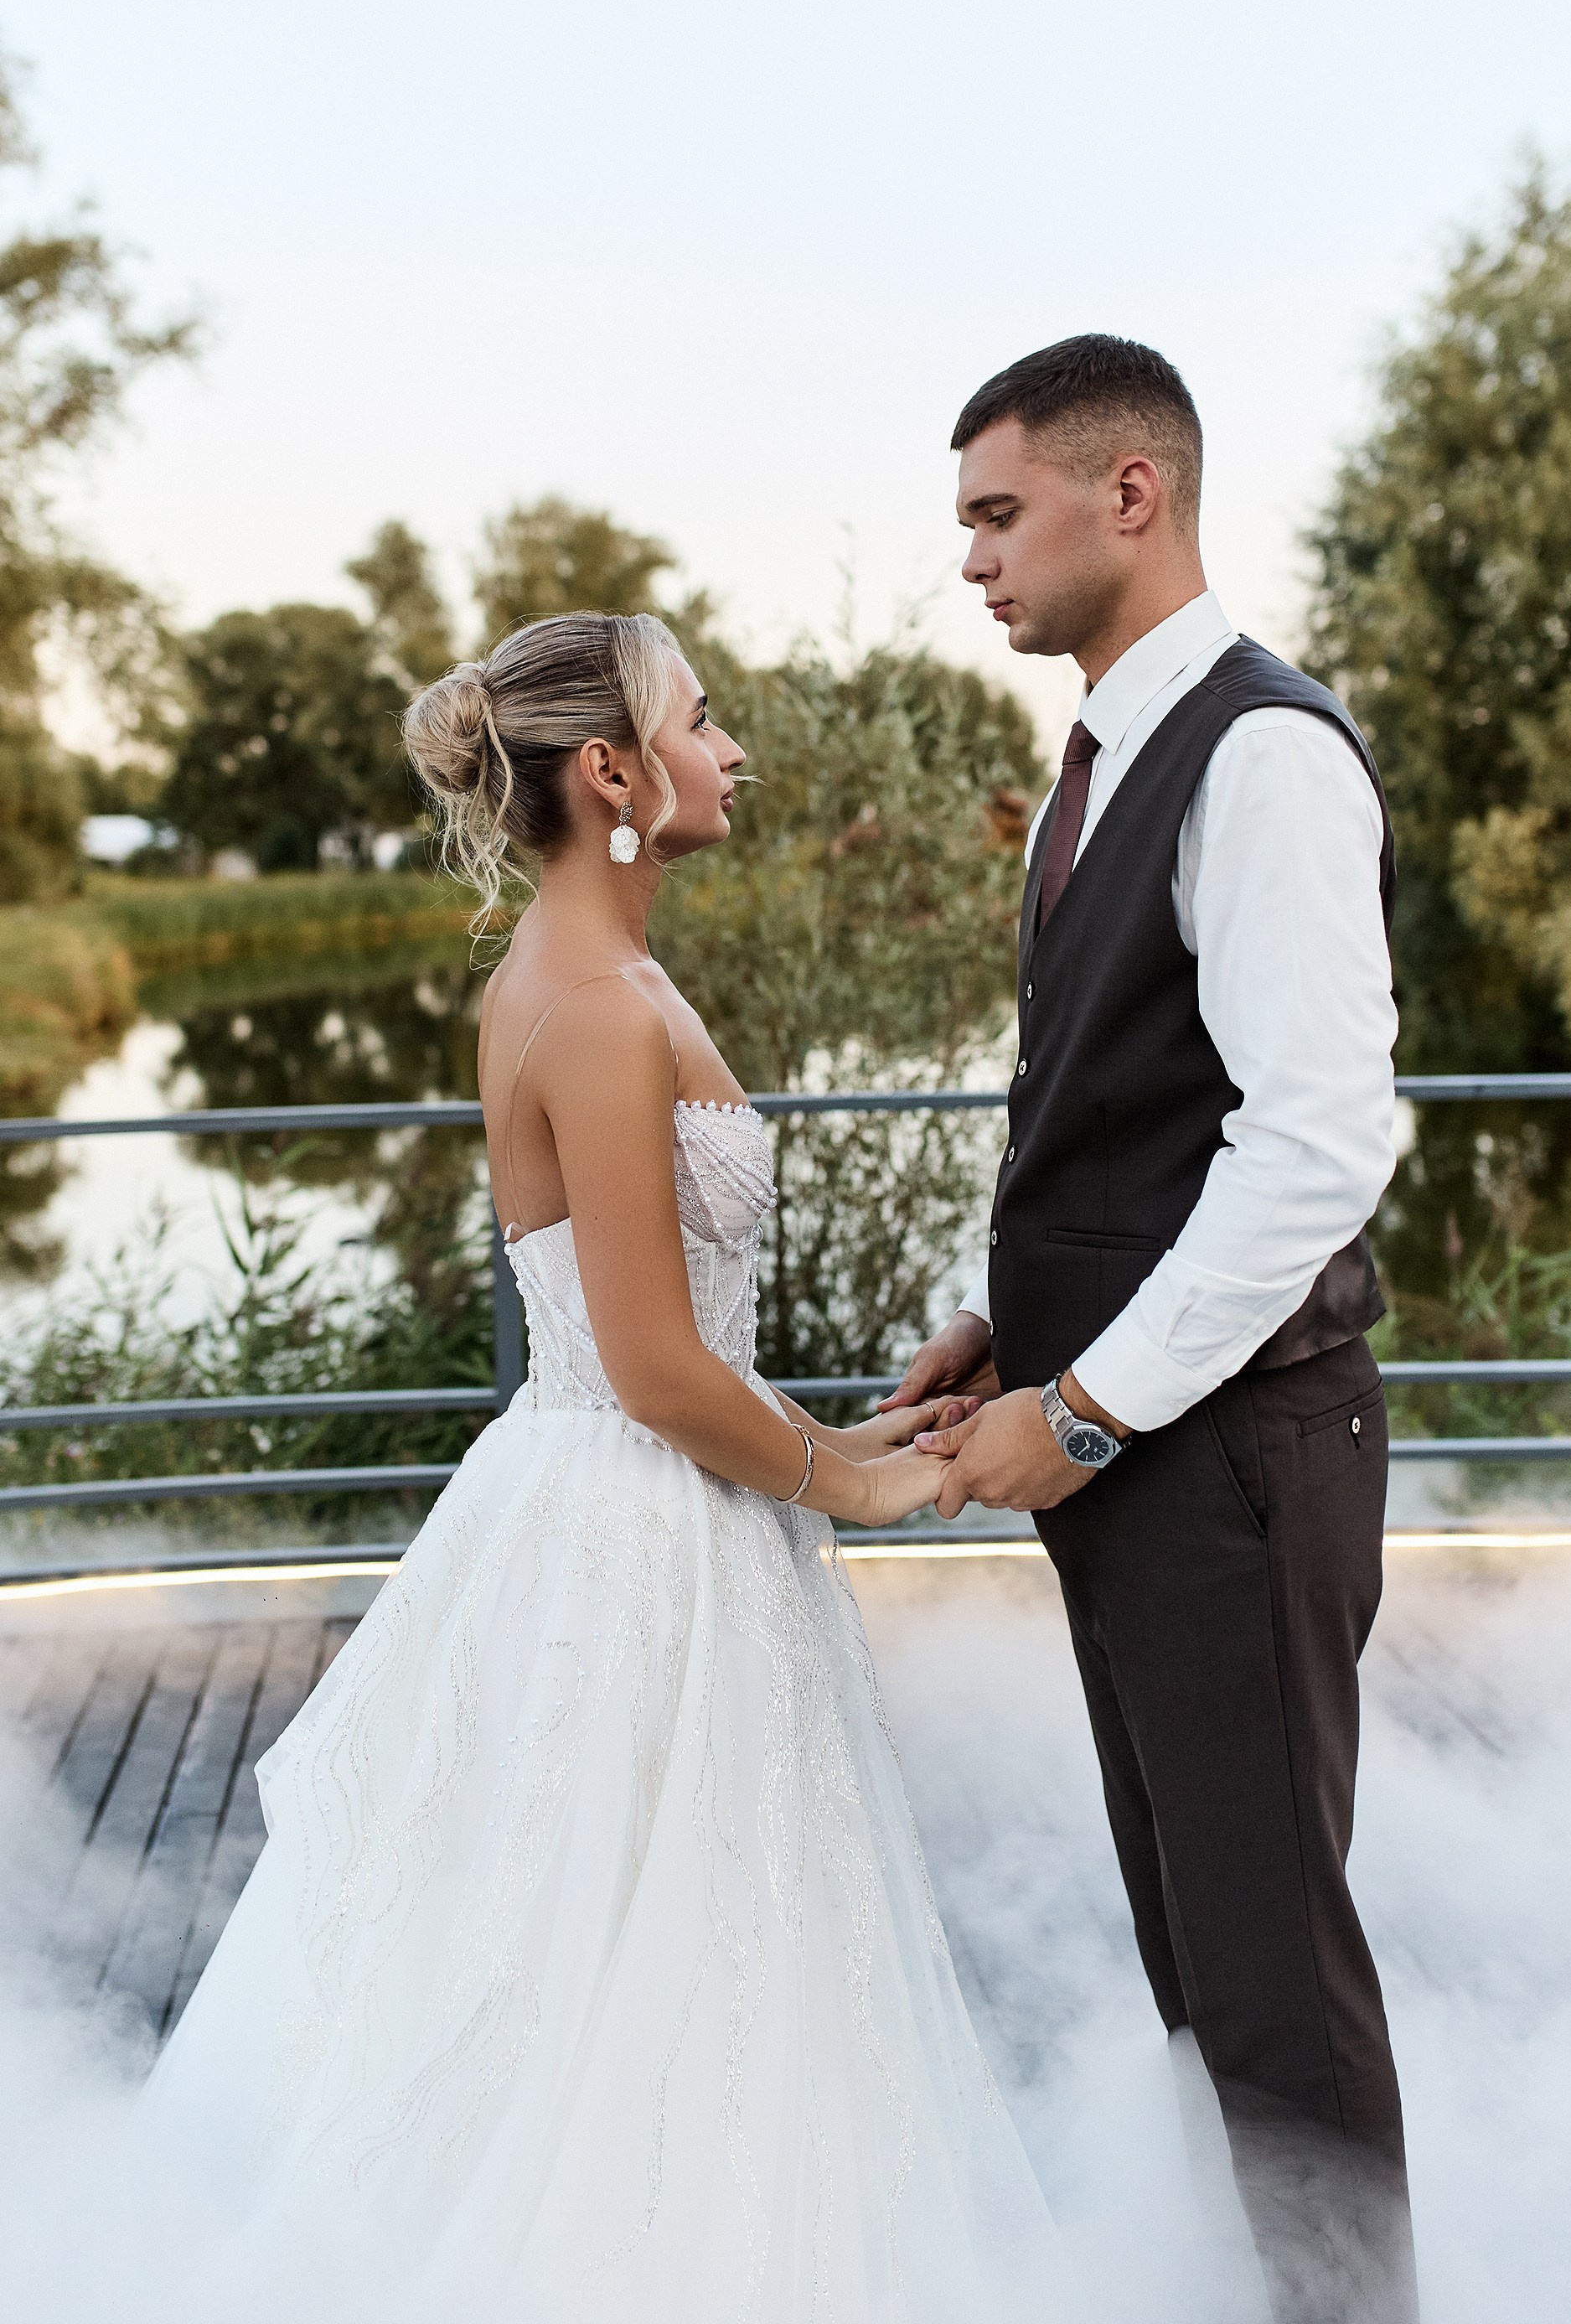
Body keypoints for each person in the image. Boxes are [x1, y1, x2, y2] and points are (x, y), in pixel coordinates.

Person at [138, 612, 1073, 2323]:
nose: (733, 753)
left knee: (698, 1966)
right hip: (637, 1535)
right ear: (612, 773)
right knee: (637, 1972)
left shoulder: (599, 975)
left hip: (645, 1500)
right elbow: (645, 1365)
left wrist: (842, 1433)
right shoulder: (590, 1003)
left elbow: (658, 1333)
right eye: (701, 724)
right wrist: (860, 1489)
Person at [883, 336, 1421, 2323]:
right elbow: (1133, 1114)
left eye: (994, 514)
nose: (970, 561)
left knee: (1270, 1983)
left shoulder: (1259, 753)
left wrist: (1089, 1406)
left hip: (1227, 1461)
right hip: (1142, 1450)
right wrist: (1007, 1321)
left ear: (1132, 495)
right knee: (1196, 1958)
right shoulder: (1114, 753)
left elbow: (1316, 1144)